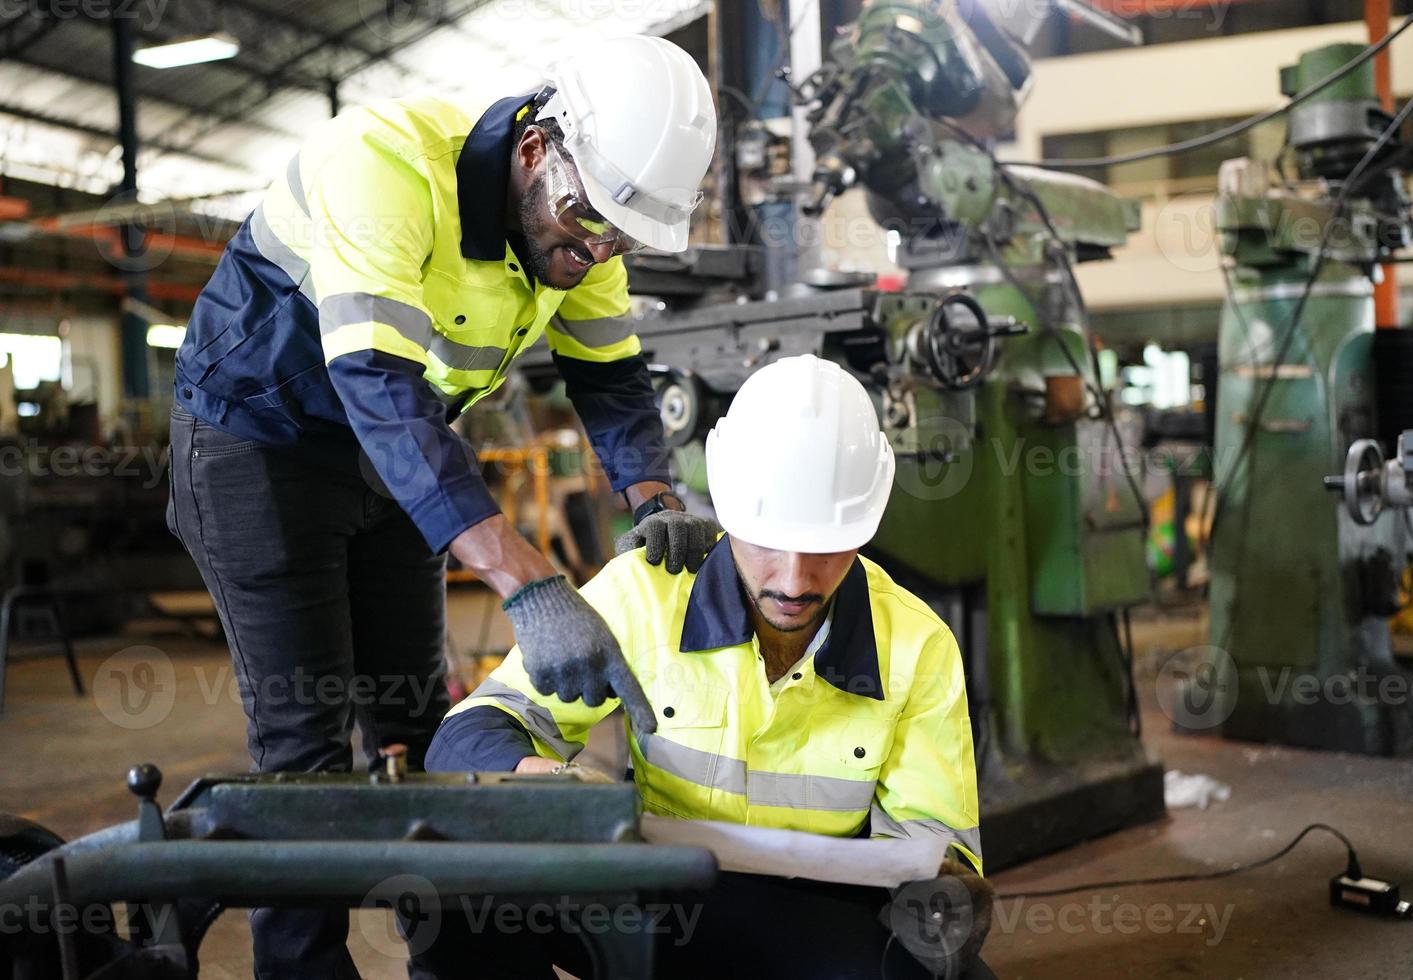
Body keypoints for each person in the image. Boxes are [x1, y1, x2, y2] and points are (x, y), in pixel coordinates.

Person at [165, 35, 721, 979]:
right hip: (258, 447)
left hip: (394, 450)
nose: (594, 254)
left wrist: (655, 493)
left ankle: (462, 963)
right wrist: (527, 583)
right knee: (306, 747)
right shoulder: (381, 163)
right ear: (538, 147)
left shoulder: (588, 227)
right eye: (587, 223)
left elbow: (613, 378)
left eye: (619, 240)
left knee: (416, 727)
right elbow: (375, 380)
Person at [423, 355, 994, 979]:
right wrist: (549, 783)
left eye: (826, 545)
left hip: (813, 915)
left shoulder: (915, 642)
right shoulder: (646, 595)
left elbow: (933, 840)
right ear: (725, 508)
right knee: (455, 878)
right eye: (768, 541)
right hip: (658, 897)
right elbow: (464, 741)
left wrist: (941, 896)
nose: (795, 580)